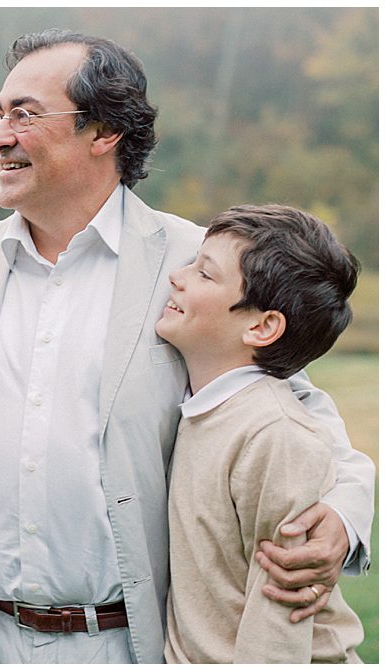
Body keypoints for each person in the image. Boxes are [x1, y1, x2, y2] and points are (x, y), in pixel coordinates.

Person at [0, 29, 375, 663]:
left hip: (131, 644)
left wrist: (344, 517)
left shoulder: (195, 269)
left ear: (104, 133)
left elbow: (297, 414)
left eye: (25, 114)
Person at [158, 204, 365, 663]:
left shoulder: (272, 436)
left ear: (263, 325)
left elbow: (281, 617)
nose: (177, 276)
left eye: (205, 274)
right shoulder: (210, 410)